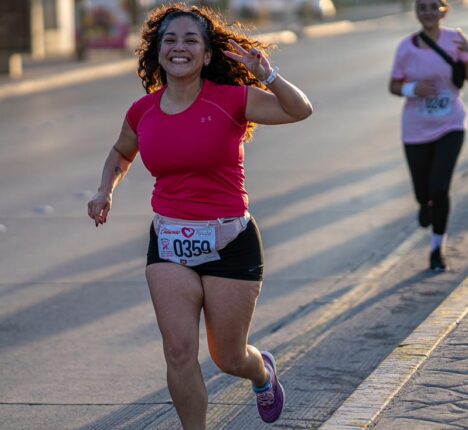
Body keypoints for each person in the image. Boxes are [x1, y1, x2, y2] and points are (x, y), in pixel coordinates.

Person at [86, 4, 312, 428]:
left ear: (207, 55)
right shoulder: (143, 111)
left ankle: (261, 372)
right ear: (158, 52)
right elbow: (121, 152)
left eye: (191, 40)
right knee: (178, 351)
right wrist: (105, 190)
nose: (179, 48)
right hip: (169, 241)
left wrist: (268, 75)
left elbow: (300, 110)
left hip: (230, 242)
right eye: (169, 40)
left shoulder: (232, 100)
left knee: (228, 356)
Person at [388, 0, 468, 271]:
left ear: (444, 10)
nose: (427, 12)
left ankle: (436, 249)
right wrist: (413, 89)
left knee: (440, 187)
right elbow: (393, 85)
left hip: (451, 125)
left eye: (433, 6)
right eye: (422, 7)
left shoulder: (457, 40)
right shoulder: (406, 47)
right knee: (423, 192)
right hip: (415, 130)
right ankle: (424, 204)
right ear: (416, 12)